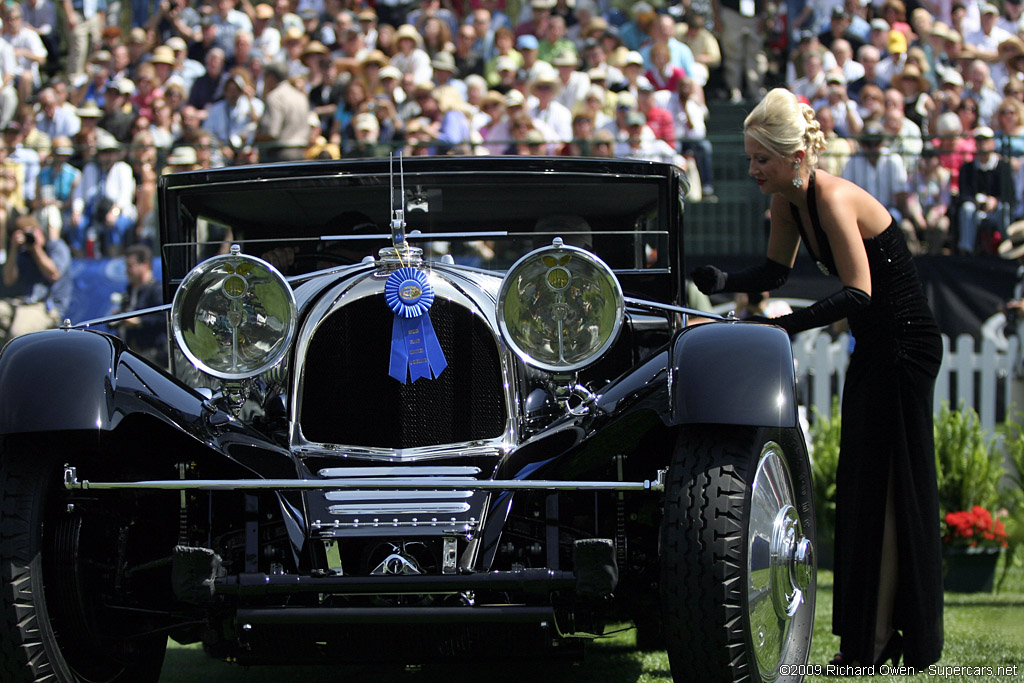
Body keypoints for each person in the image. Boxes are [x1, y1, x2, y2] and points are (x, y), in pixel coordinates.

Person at [690, 88, 943, 672]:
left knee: (884, 492)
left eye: (762, 159)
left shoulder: (828, 196)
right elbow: (775, 271)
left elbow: (860, 290)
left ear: (794, 156)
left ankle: (878, 642)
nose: (753, 170)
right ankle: (868, 641)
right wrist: (724, 276)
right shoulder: (787, 201)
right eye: (750, 158)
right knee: (862, 490)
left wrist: (786, 324)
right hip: (876, 347)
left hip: (904, 347)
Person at [0, 214, 71, 345]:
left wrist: (36, 248)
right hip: (23, 303)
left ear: (39, 230)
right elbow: (8, 280)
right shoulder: (23, 253)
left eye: (31, 232)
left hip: (48, 307)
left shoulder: (56, 247)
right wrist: (14, 249)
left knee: (18, 334)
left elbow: (53, 275)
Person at [114, 243, 167, 365]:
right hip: (131, 354)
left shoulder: (157, 291)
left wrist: (139, 322)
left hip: (153, 355)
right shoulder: (130, 292)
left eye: (130, 266)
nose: (127, 271)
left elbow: (164, 319)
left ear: (145, 265)